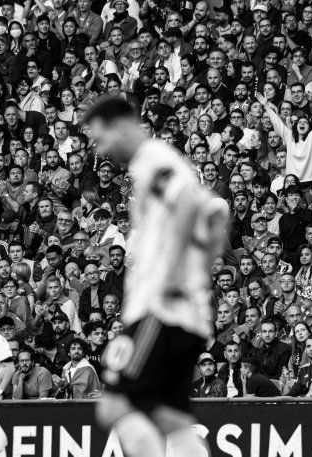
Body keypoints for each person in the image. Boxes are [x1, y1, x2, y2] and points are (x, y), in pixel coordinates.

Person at [89, 98, 227, 457]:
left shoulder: (152, 159)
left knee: (114, 406)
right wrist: (195, 274)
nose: (101, 150)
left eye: (102, 139)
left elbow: (188, 205)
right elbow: (214, 216)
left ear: (121, 127)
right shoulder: (159, 163)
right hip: (184, 312)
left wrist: (171, 278)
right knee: (170, 417)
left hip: (160, 308)